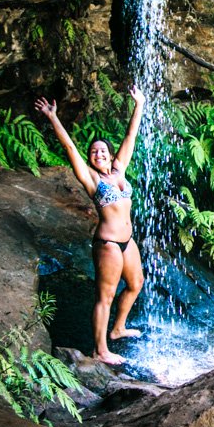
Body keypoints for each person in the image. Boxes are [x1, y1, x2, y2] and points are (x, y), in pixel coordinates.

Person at [35, 86, 146, 365]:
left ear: (109, 154)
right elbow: (70, 147)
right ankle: (100, 350)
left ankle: (118, 329)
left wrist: (139, 104)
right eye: (94, 152)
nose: (98, 154)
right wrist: (53, 116)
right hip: (108, 243)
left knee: (136, 283)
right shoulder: (91, 179)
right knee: (105, 296)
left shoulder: (120, 169)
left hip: (128, 241)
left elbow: (131, 135)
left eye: (102, 151)